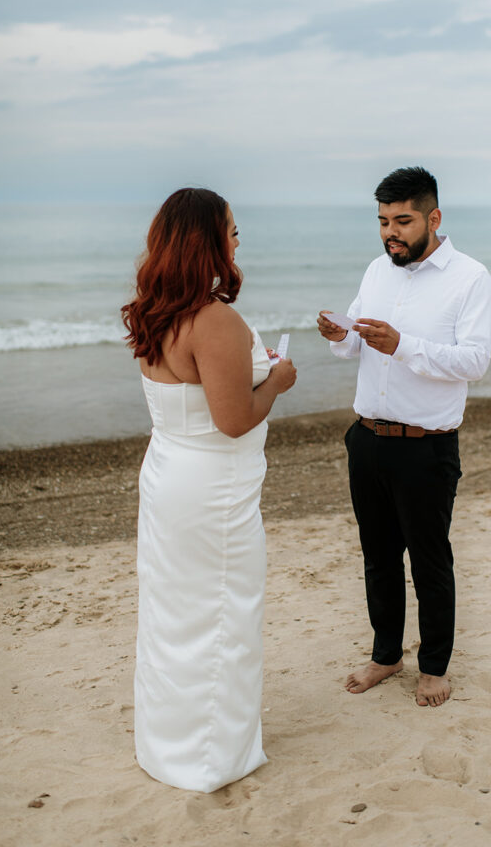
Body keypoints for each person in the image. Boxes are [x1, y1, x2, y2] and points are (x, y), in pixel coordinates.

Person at [121, 187, 296, 792]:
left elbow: (198, 395)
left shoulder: (156, 310)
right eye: (232, 226)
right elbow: (234, 419)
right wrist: (276, 381)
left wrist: (250, 374)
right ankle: (208, 760)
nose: (238, 236)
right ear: (207, 238)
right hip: (210, 492)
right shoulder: (213, 318)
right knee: (224, 613)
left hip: (168, 474)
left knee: (174, 615)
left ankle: (165, 747)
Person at [317, 167, 491, 707]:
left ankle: (435, 666)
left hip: (425, 445)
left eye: (402, 221)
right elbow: (358, 347)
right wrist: (339, 336)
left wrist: (404, 345)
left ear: (433, 218)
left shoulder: (470, 278)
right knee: (377, 557)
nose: (389, 233)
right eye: (382, 221)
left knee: (429, 560)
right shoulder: (378, 269)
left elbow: (475, 361)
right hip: (366, 438)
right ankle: (386, 655)